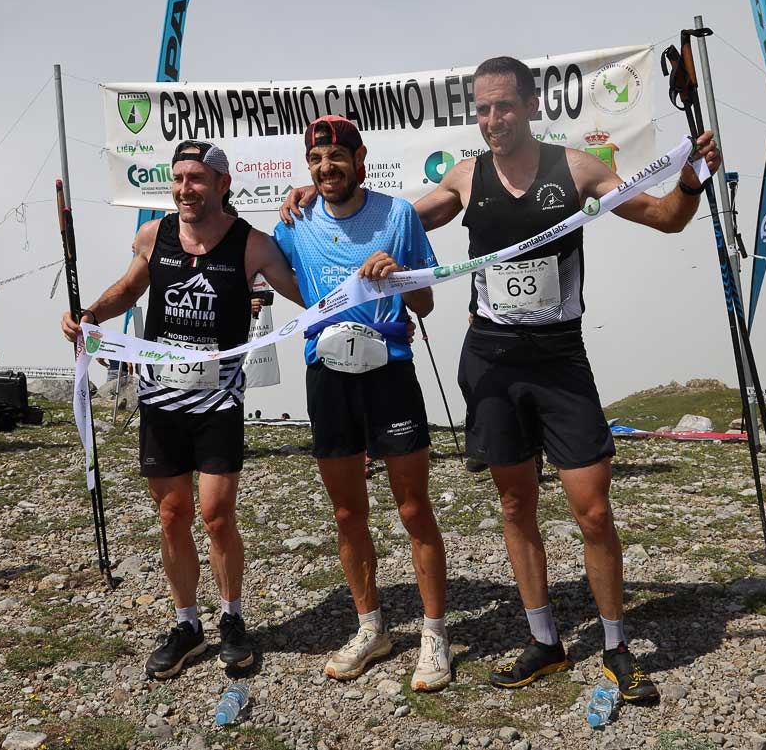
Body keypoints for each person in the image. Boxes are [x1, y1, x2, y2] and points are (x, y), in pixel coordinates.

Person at [283, 56, 721, 700]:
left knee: (592, 511)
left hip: (559, 358)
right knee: (515, 505)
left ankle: (617, 645)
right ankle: (543, 640)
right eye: (483, 110)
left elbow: (664, 217)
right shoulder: (466, 177)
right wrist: (313, 197)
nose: (493, 120)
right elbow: (390, 218)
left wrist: (690, 182)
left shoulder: (576, 168)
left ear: (531, 106)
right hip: (491, 359)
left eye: (504, 107)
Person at [61, 140, 303, 680]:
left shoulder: (252, 245)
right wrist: (89, 315)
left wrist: (371, 304)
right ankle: (187, 622)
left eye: (196, 178)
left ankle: (233, 618)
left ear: (222, 185)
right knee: (172, 515)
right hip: (161, 400)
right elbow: (128, 289)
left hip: (218, 398)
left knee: (216, 515)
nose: (184, 188)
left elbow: (307, 296)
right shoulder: (155, 235)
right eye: (177, 178)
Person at [272, 116, 452, 691]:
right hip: (328, 376)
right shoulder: (296, 222)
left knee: (412, 507)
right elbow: (275, 274)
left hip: (390, 373)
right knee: (347, 513)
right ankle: (371, 626)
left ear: (360, 158)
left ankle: (434, 632)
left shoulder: (397, 214)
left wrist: (397, 276)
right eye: (316, 161)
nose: (327, 169)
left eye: (337, 158)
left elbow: (424, 303)